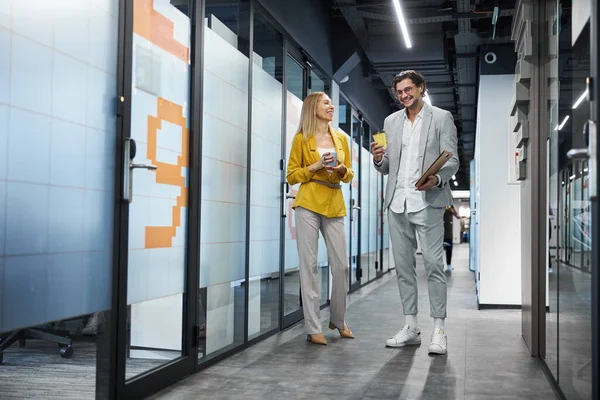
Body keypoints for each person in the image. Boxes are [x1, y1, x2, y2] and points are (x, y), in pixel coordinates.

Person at [371, 70, 459, 355]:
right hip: (397, 203)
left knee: (434, 265)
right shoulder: (390, 122)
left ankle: (439, 330)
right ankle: (411, 326)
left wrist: (437, 178)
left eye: (408, 89)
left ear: (421, 88)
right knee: (403, 268)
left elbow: (452, 160)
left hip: (428, 202)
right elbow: (388, 168)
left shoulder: (441, 118)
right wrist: (378, 159)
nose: (404, 95)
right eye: (399, 92)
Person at [286, 91, 355, 345]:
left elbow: (349, 174)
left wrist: (341, 169)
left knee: (341, 266)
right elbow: (292, 176)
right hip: (308, 203)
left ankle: (339, 319)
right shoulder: (302, 139)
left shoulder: (340, 139)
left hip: (334, 202)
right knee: (310, 266)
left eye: (331, 102)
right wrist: (314, 167)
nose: (331, 106)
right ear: (313, 107)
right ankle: (313, 327)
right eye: (326, 102)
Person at [443, 205, 463, 271]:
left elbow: (456, 215)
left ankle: (449, 265)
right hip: (440, 231)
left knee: (449, 249)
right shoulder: (440, 205)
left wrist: (461, 216)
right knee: (438, 251)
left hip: (449, 233)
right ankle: (439, 266)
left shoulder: (450, 207)